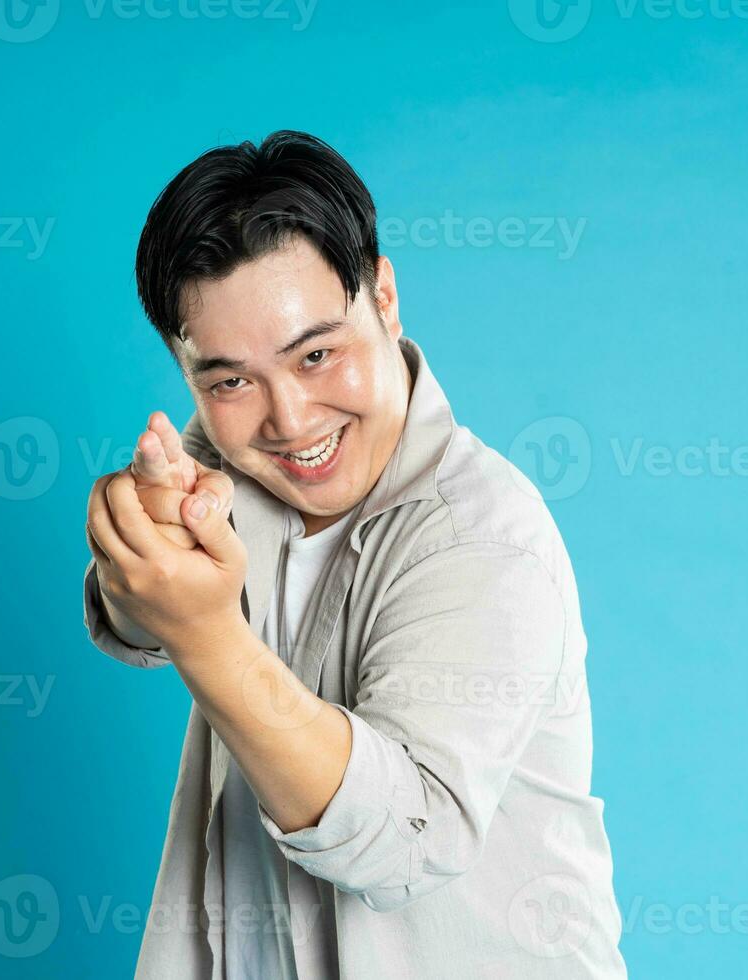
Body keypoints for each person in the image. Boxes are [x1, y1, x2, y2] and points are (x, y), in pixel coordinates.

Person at [83, 130, 627, 979]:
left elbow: (407, 841)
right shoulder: (232, 464)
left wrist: (203, 634)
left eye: (317, 354)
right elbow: (137, 628)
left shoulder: (483, 537)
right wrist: (140, 552)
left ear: (384, 296)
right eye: (229, 381)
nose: (290, 421)